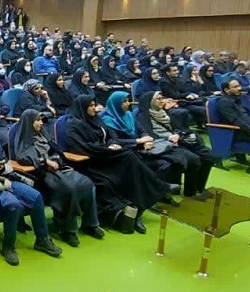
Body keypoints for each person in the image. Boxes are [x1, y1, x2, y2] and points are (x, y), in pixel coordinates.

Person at [66, 95, 177, 234]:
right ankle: (159, 187)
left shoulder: (96, 119)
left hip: (106, 156)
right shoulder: (73, 125)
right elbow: (81, 147)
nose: (95, 108)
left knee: (131, 162)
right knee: (128, 158)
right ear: (83, 107)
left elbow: (110, 137)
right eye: (91, 106)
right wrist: (107, 148)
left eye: (94, 105)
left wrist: (112, 144)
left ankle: (138, 209)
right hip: (92, 161)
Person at [0, 120, 64, 263]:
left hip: (6, 180)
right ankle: (8, 246)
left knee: (36, 197)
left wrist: (1, 168)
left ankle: (42, 239)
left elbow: (8, 166)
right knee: (12, 204)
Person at [11, 109, 104, 246]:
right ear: (29, 122)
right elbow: (23, 157)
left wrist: (56, 160)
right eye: (37, 120)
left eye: (41, 120)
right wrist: (45, 162)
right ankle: (67, 229)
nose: (41, 123)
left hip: (58, 169)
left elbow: (57, 151)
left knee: (88, 183)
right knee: (69, 189)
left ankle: (90, 224)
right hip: (40, 174)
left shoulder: (43, 135)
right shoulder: (24, 138)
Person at [133, 92, 217, 200]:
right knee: (194, 159)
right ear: (150, 102)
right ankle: (190, 192)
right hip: (164, 144)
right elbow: (149, 135)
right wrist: (168, 137)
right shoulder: (143, 117)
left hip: (179, 140)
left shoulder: (164, 112)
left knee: (209, 156)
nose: (162, 101)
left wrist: (177, 134)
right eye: (158, 99)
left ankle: (199, 188)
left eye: (162, 98)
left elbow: (178, 127)